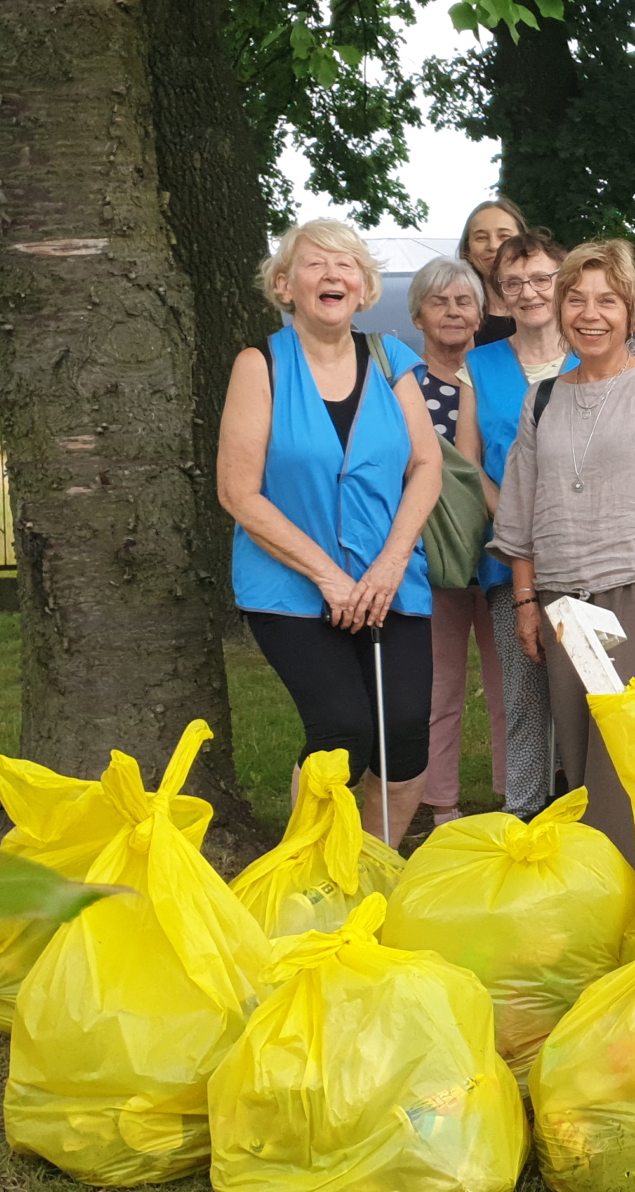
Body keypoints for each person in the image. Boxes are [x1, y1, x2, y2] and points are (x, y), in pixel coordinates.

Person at [493, 239, 635, 864]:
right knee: (581, 761)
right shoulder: (541, 399)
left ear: (630, 311)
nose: (590, 314)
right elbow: (519, 512)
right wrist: (525, 602)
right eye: (576, 299)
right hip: (563, 603)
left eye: (607, 301)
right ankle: (600, 907)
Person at [220, 219, 446, 847]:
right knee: (341, 731)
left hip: (389, 581)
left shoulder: (391, 358)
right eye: (315, 264)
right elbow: (238, 492)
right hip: (290, 588)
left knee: (403, 736)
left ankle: (376, 868)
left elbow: (426, 465)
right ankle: (308, 873)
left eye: (346, 264)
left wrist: (391, 563)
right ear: (286, 285)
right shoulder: (259, 364)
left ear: (365, 285)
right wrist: (329, 577)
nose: (333, 275)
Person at [462, 232, 571, 818]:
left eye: (542, 279)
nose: (529, 293)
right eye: (514, 283)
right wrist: (515, 523)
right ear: (499, 294)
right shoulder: (478, 365)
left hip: (590, 552)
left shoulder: (601, 353)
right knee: (526, 695)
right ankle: (524, 817)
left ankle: (594, 815)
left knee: (591, 689)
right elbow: (467, 461)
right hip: (510, 555)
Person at [405, 256, 500, 828]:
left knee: (510, 679)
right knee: (439, 685)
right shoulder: (403, 384)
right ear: (418, 313)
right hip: (431, 559)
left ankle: (518, 790)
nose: (452, 311)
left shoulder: (492, 378)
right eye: (439, 301)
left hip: (498, 557)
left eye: (463, 301)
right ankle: (439, 803)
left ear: (481, 314)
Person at [459, 198, 529, 346]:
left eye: (504, 236)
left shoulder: (550, 311)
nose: (493, 245)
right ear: (468, 252)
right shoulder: (459, 318)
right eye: (481, 238)